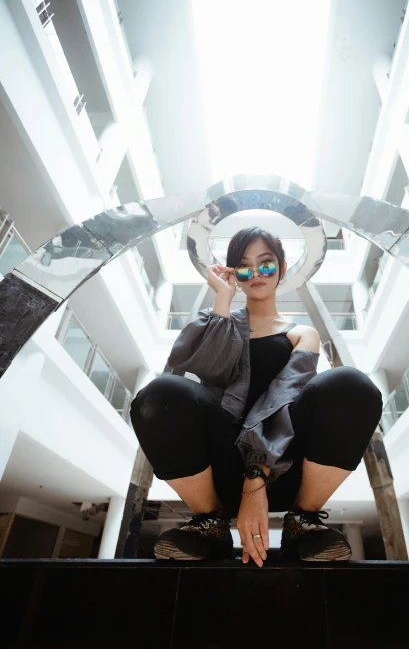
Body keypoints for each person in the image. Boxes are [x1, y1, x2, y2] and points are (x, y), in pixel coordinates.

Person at [130, 227, 383, 567]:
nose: (257, 275)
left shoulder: (301, 333)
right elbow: (207, 368)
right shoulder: (218, 323)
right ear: (234, 273)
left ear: (282, 266)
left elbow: (283, 397)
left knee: (351, 384)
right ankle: (210, 523)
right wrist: (223, 296)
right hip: (217, 469)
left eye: (266, 264)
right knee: (160, 393)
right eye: (245, 268)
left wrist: (257, 473)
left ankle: (302, 522)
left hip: (287, 465)